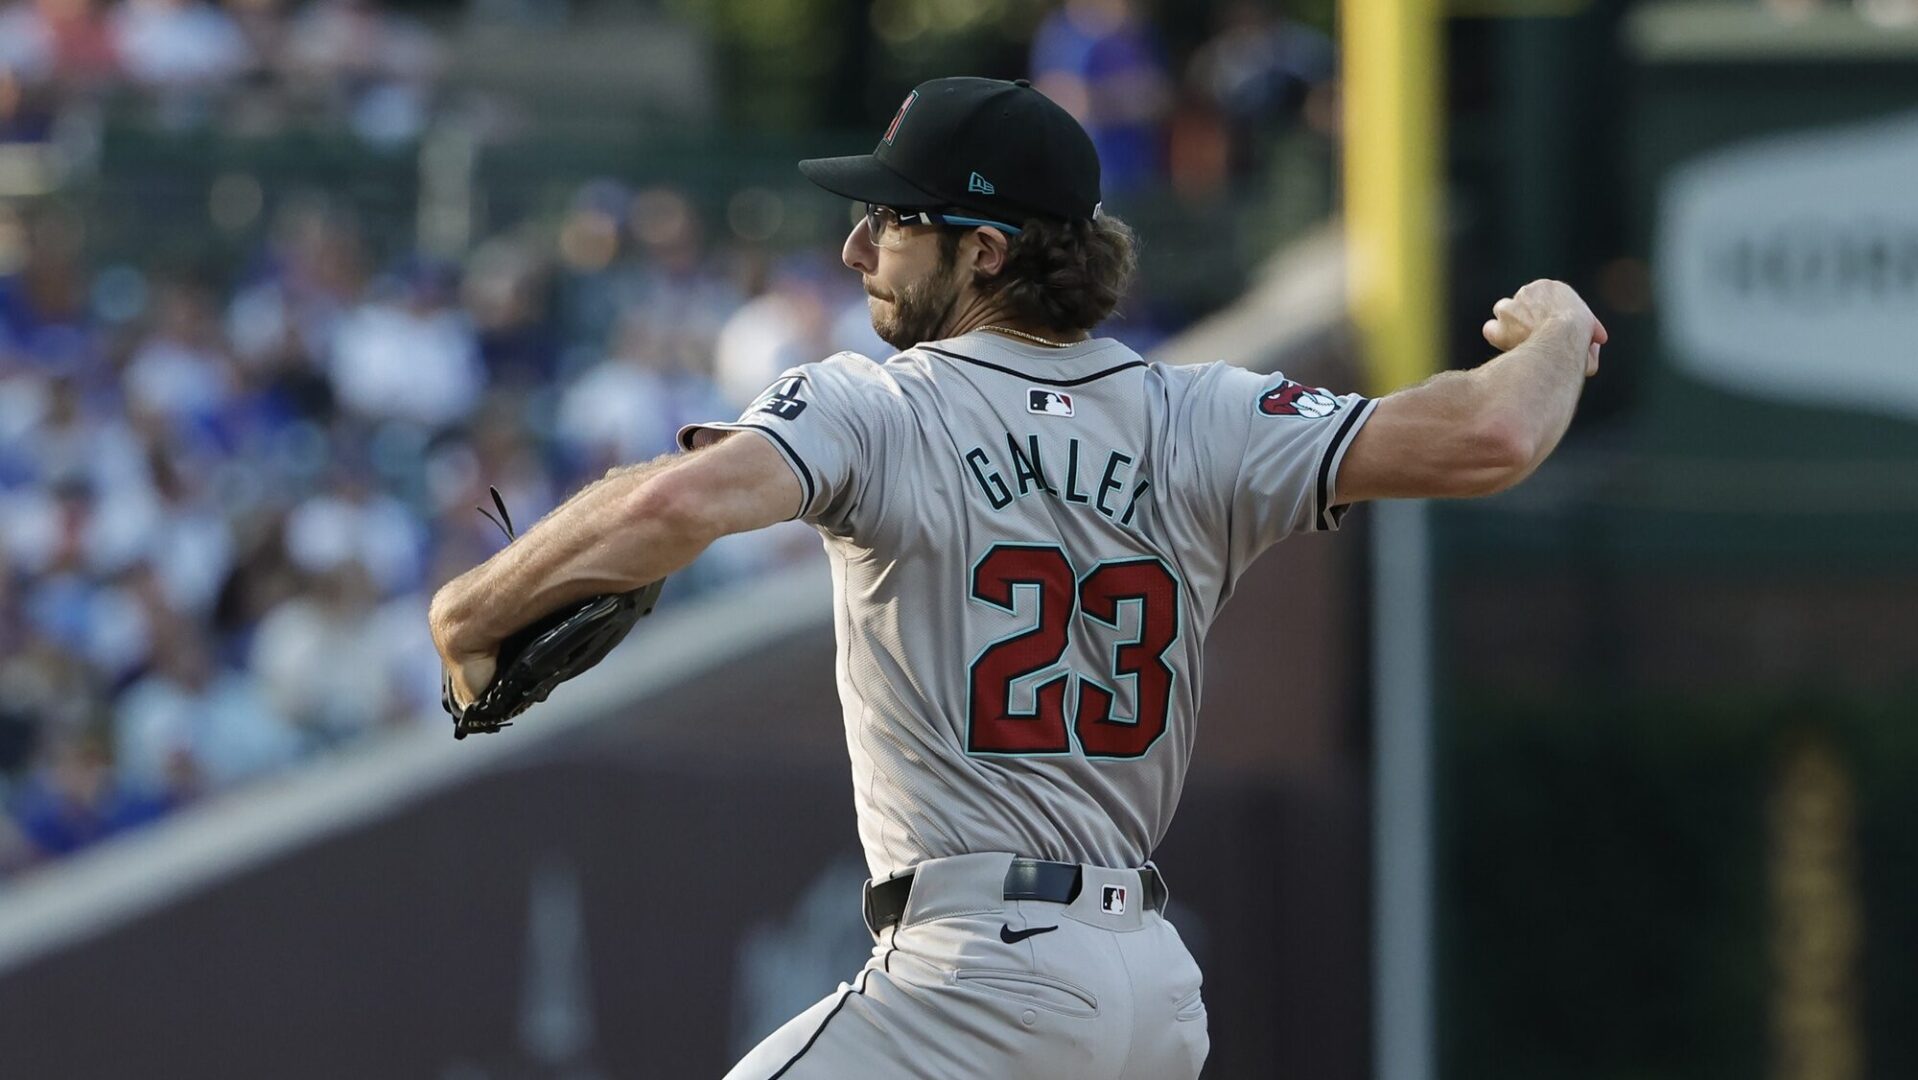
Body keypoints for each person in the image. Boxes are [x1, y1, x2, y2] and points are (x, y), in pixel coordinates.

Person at [429, 76, 1605, 1079]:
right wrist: (1562, 331)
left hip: (975, 978)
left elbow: (675, 503)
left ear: (982, 249)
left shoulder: (877, 404)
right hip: (1149, 992)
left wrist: (471, 608)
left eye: (890, 219)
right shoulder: (1205, 414)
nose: (854, 248)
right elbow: (1488, 438)